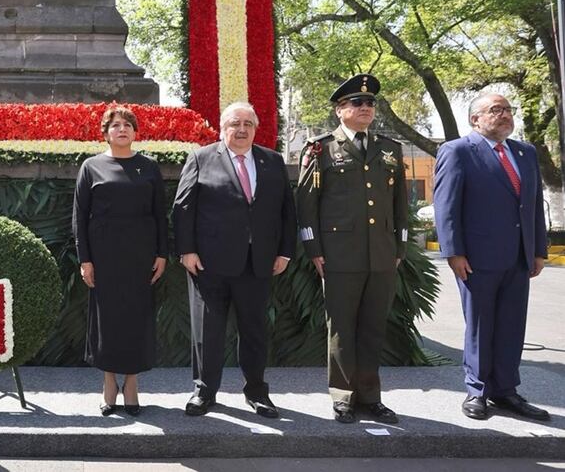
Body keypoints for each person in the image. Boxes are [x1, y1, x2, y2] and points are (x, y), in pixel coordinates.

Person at [295, 74, 408, 424]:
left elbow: (400, 203)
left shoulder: (390, 148)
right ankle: (343, 395)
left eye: (370, 103)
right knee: (342, 328)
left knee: (373, 327)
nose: (366, 108)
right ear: (339, 110)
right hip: (339, 254)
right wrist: (313, 248)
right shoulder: (321, 148)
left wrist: (400, 246)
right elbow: (307, 205)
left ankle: (371, 397)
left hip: (382, 253)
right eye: (357, 103)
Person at [173, 102, 296, 418]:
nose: (241, 130)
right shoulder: (201, 158)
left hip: (258, 262)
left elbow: (287, 210)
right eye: (234, 124)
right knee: (208, 332)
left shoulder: (272, 161)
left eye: (247, 124)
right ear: (222, 128)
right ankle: (204, 392)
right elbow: (183, 208)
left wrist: (284, 251)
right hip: (209, 264)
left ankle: (257, 392)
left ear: (255, 128)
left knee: (254, 331)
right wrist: (187, 251)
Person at [432, 93, 549, 422]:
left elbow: (534, 205)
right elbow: (446, 206)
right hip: (477, 258)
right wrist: (454, 252)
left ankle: (506, 390)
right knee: (481, 326)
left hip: (519, 257)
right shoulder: (457, 151)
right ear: (475, 119)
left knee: (512, 325)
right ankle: (478, 390)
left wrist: (538, 250)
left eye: (508, 109)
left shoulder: (525, 152)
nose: (505, 115)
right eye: (496, 110)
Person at [72, 106, 167, 416]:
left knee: (137, 319)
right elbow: (79, 217)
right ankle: (110, 382)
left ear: (135, 132)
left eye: (127, 124)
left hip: (141, 257)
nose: (122, 129)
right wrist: (85, 259)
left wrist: (162, 254)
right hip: (104, 258)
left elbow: (160, 215)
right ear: (106, 132)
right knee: (108, 321)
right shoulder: (91, 167)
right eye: (115, 125)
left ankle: (132, 383)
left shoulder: (149, 167)